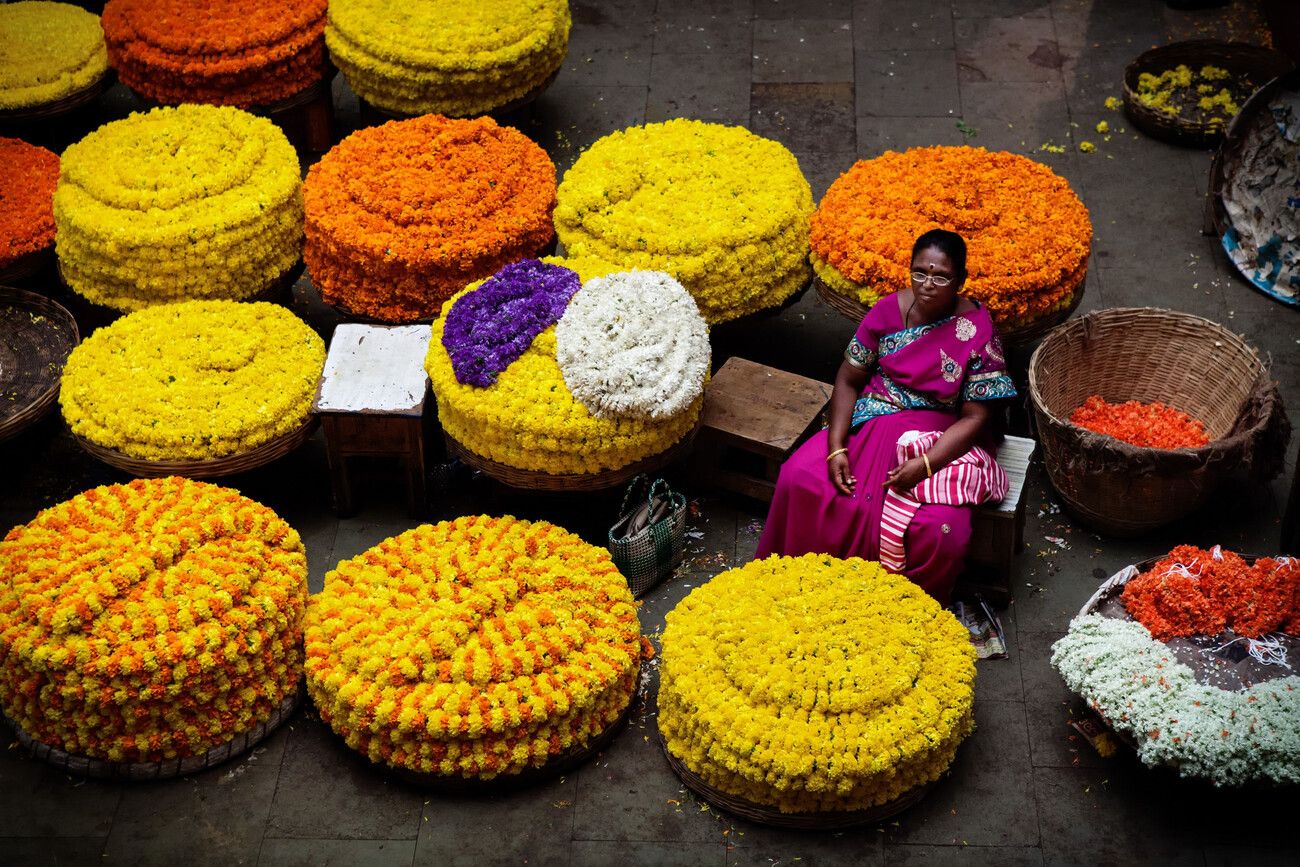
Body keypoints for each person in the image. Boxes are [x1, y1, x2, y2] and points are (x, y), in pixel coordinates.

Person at [755, 229, 1017, 604]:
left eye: (941, 277)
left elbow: (977, 417)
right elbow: (848, 379)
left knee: (941, 531)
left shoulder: (975, 327)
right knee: (799, 478)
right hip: (876, 418)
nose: (928, 285)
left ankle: (903, 611)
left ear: (960, 280)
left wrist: (926, 464)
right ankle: (805, 589)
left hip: (940, 435)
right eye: (919, 273)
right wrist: (836, 448)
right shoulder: (887, 312)